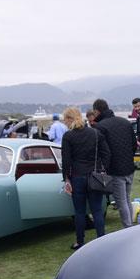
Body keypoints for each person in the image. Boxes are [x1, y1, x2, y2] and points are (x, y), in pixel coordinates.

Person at [60, 106, 104, 249]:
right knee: (97, 210)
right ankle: (102, 240)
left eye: (65, 119)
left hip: (77, 176)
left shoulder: (68, 136)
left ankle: (80, 241)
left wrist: (66, 179)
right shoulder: (95, 133)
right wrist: (103, 169)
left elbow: (66, 160)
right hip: (94, 175)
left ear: (69, 119)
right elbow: (106, 153)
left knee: (79, 211)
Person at [91, 98, 136, 229]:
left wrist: (105, 168)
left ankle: (128, 228)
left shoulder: (100, 127)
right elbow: (134, 145)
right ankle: (131, 226)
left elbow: (103, 151)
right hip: (129, 166)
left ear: (96, 111)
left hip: (115, 169)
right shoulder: (125, 122)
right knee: (127, 199)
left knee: (121, 202)